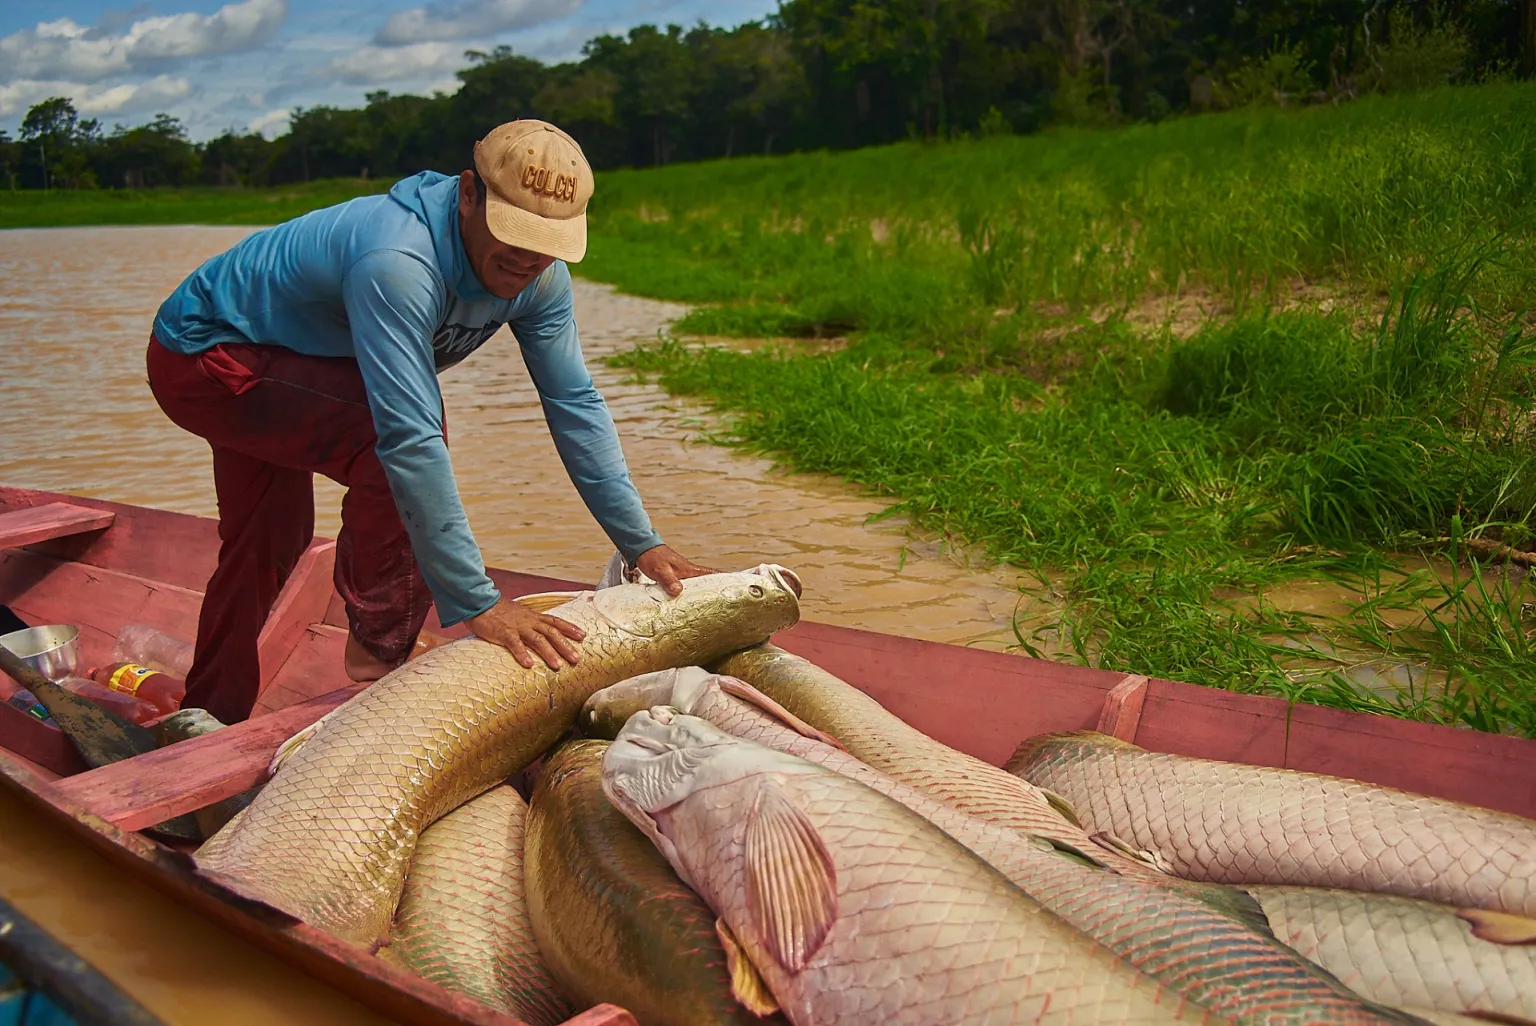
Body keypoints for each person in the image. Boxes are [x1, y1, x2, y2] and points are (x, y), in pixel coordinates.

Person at [146, 119, 711, 723]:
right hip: (208, 357)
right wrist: (479, 603)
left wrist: (640, 542)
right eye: (514, 232)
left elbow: (574, 401)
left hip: (292, 360)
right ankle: (378, 660)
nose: (527, 258)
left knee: (271, 537)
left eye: (547, 241)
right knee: (390, 436)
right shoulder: (398, 260)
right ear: (468, 194)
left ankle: (207, 710)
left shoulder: (542, 278)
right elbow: (408, 439)